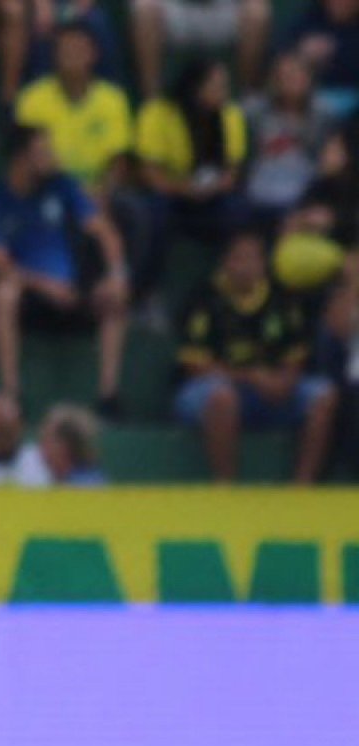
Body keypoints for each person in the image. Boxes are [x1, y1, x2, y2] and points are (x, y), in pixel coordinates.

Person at [0, 124, 130, 415]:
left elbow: (105, 233)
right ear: (21, 158)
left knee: (114, 297)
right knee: (3, 293)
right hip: (29, 292)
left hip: (71, 289)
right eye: (44, 152)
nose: (53, 157)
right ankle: (11, 393)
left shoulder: (63, 186)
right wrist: (44, 285)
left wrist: (117, 275)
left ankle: (108, 395)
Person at [174, 229, 339, 483]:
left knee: (323, 395)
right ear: (226, 262)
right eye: (238, 259)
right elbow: (195, 365)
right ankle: (226, 485)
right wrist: (251, 377)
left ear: (264, 264)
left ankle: (303, 486)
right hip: (215, 390)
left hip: (271, 389)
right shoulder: (204, 297)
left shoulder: (282, 299)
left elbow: (295, 354)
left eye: (253, 259)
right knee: (222, 397)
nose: (246, 267)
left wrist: (284, 381)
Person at [137, 60, 250, 243]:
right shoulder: (157, 113)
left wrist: (213, 188)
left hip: (213, 195)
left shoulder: (231, 114)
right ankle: (149, 271)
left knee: (237, 208)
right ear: (196, 88)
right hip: (173, 195)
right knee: (155, 209)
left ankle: (229, 269)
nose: (225, 93)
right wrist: (186, 189)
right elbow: (150, 175)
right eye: (217, 87)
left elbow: (233, 172)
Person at [13, 19, 132, 192]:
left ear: (94, 54)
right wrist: (74, 196)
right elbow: (30, 160)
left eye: (78, 49)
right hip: (49, 189)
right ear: (55, 55)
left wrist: (102, 194)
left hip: (100, 193)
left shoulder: (113, 99)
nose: (72, 55)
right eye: (65, 49)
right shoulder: (33, 98)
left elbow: (118, 162)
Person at [243, 52, 341, 225]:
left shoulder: (324, 115)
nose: (294, 81)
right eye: (287, 76)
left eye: (299, 75)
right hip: (259, 187)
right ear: (275, 80)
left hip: (305, 190)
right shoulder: (253, 112)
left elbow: (328, 160)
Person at [131, 0, 271, 99]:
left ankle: (247, 98)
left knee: (256, 10)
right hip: (180, 11)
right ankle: (151, 99)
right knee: (144, 6)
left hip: (221, 11)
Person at [284, 0, 359, 118]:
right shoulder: (311, 15)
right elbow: (283, 48)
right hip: (310, 97)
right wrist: (303, 50)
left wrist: (335, 54)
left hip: (352, 97)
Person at [37, 403, 106, 485]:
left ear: (64, 446)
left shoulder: (88, 485)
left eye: (46, 441)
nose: (40, 448)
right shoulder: (48, 480)